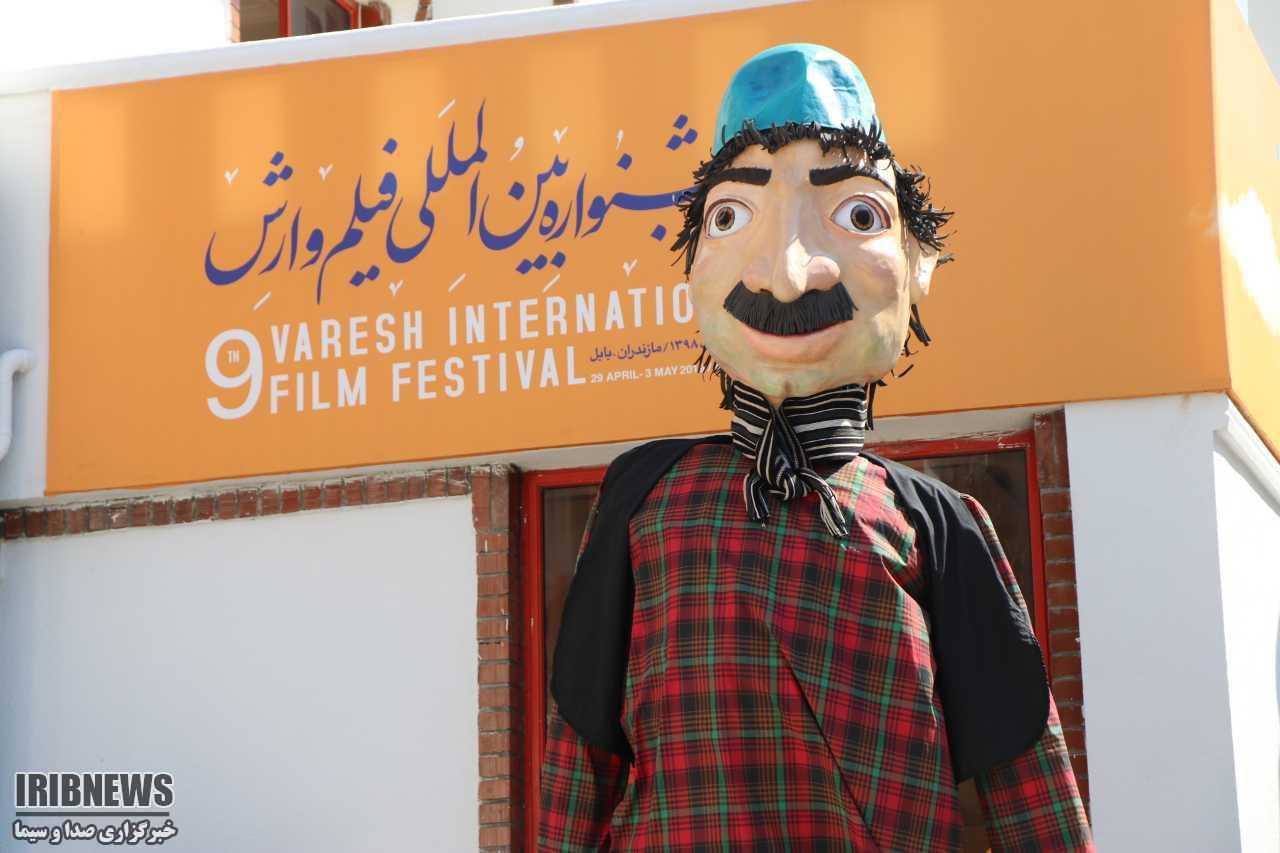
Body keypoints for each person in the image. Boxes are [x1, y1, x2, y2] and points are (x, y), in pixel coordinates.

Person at [539, 43, 1093, 851]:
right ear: (692, 264)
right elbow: (580, 752)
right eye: (731, 217)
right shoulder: (643, 495)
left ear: (919, 263)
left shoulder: (938, 524)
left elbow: (1027, 779)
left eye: (859, 215)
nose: (788, 273)